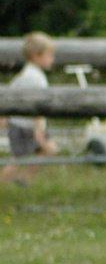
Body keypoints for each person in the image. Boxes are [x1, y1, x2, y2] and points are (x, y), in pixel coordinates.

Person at [1, 32, 58, 184]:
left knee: (44, 151)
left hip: (22, 124)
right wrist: (39, 132)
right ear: (36, 56)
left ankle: (24, 179)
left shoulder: (26, 74)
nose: (52, 59)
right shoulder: (35, 79)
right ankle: (14, 180)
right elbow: (38, 106)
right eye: (49, 55)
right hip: (25, 125)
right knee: (20, 159)